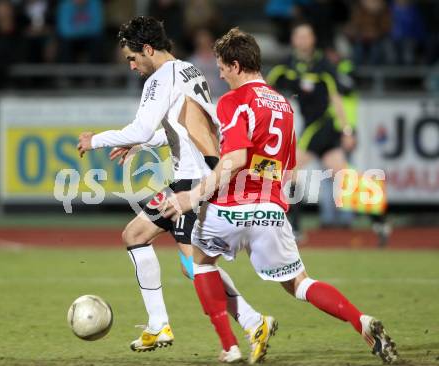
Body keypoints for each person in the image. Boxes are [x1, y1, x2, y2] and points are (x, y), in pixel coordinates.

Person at [163, 28, 398, 364]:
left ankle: (230, 346)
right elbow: (282, 171)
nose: (220, 74)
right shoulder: (284, 106)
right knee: (301, 284)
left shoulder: (233, 101)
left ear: (237, 65)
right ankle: (360, 321)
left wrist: (193, 196)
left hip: (230, 207)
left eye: (222, 67)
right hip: (271, 211)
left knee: (198, 264)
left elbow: (235, 159)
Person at [76, 16, 268, 358]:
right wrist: (143, 145)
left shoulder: (161, 76)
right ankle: (158, 324)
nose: (132, 66)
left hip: (193, 181)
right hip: (194, 173)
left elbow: (140, 126)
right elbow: (181, 126)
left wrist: (96, 141)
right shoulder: (188, 69)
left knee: (195, 265)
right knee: (136, 236)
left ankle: (252, 323)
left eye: (133, 58)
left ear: (148, 49)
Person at [267, 22, 355, 238]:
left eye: (307, 36)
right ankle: (380, 220)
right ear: (293, 40)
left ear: (313, 39)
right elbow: (264, 90)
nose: (303, 40)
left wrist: (347, 130)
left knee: (290, 169)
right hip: (309, 127)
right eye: (299, 36)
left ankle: (295, 227)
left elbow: (336, 98)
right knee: (340, 172)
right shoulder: (285, 66)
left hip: (322, 126)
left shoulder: (323, 65)